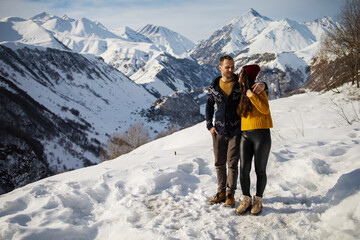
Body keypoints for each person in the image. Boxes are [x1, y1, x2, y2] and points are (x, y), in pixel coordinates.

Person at [206, 56, 266, 208]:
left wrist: (264, 85)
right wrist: (209, 125)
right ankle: (221, 192)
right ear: (220, 67)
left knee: (232, 164)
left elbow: (258, 89)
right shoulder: (214, 85)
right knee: (219, 163)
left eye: (232, 66)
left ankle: (230, 194)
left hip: (235, 130)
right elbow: (209, 104)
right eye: (227, 67)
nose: (231, 70)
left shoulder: (241, 84)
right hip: (218, 130)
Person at [235, 64, 273, 215]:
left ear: (246, 76)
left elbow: (265, 109)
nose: (238, 76)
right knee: (243, 168)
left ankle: (258, 200)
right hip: (245, 134)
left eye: (240, 74)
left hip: (261, 134)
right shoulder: (240, 90)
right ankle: (245, 199)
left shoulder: (258, 89)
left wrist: (253, 95)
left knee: (260, 169)